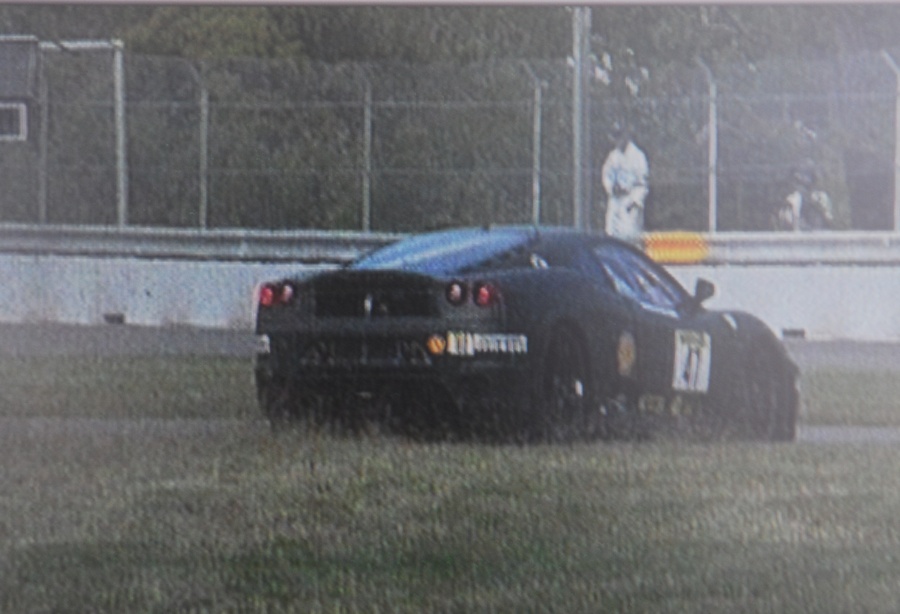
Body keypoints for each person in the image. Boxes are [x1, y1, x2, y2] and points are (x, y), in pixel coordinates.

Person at [601, 122, 649, 244]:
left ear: (626, 136)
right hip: (615, 200)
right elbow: (607, 176)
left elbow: (642, 183)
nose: (617, 140)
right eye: (615, 137)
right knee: (612, 236)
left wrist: (635, 202)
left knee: (630, 239)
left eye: (619, 136)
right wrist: (611, 187)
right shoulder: (613, 156)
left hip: (629, 201)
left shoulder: (638, 156)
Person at [774, 159, 834, 231]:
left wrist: (820, 207)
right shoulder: (789, 202)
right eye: (798, 182)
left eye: (810, 177)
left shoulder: (821, 198)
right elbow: (784, 226)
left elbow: (829, 220)